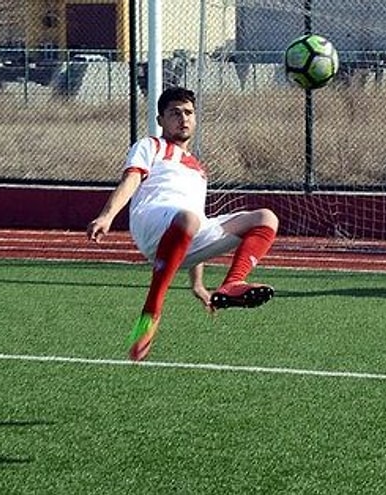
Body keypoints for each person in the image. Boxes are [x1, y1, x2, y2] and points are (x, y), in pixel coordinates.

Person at [87, 86, 279, 361]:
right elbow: (131, 179)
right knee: (188, 218)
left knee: (265, 218)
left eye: (188, 113)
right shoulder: (150, 146)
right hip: (152, 222)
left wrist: (197, 285)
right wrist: (107, 215)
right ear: (161, 119)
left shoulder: (199, 170)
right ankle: (151, 312)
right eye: (174, 113)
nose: (183, 118)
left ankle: (232, 283)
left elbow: (193, 224)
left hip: (183, 231)